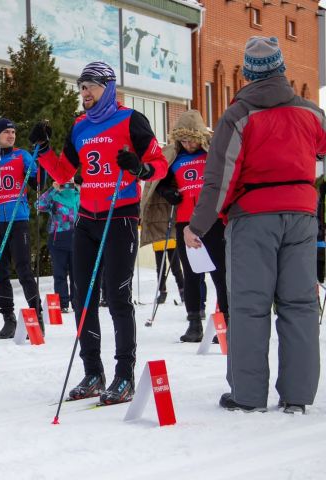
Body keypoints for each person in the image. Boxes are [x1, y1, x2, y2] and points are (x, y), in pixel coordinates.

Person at [186, 37, 326, 413]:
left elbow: (219, 178)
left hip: (252, 218)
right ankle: (297, 397)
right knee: (299, 305)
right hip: (301, 215)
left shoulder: (238, 115)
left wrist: (197, 225)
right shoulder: (312, 114)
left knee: (249, 306)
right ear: (282, 69)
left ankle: (247, 396)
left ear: (248, 73)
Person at [30, 61, 167, 404]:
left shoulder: (130, 120)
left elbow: (159, 164)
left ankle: (125, 375)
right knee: (82, 298)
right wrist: (44, 151)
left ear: (109, 87)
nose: (85, 93)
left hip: (119, 217)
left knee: (117, 297)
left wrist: (139, 168)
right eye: (81, 88)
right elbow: (64, 173)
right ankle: (93, 372)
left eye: (90, 86)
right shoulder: (79, 127)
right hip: (86, 219)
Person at [153, 110, 229, 343]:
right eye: (184, 140)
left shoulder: (213, 154)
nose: (189, 144)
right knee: (192, 274)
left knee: (220, 274)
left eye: (192, 139)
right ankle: (194, 323)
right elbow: (160, 182)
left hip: (214, 221)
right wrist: (168, 192)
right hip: (185, 222)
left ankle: (227, 323)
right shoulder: (174, 157)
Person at [0, 118, 42, 339]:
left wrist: (38, 170)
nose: (11, 135)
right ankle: (8, 319)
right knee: (0, 273)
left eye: (13, 132)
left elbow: (39, 183)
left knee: (23, 270)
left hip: (17, 219)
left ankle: (36, 318)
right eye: (6, 132)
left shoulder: (21, 155)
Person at [36, 179, 79, 313]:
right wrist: (53, 189)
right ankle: (62, 303)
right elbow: (38, 205)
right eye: (64, 179)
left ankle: (77, 302)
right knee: (59, 274)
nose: (67, 182)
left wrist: (79, 188)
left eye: (69, 179)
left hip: (77, 239)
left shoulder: (79, 194)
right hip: (57, 239)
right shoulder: (54, 196)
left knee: (76, 274)